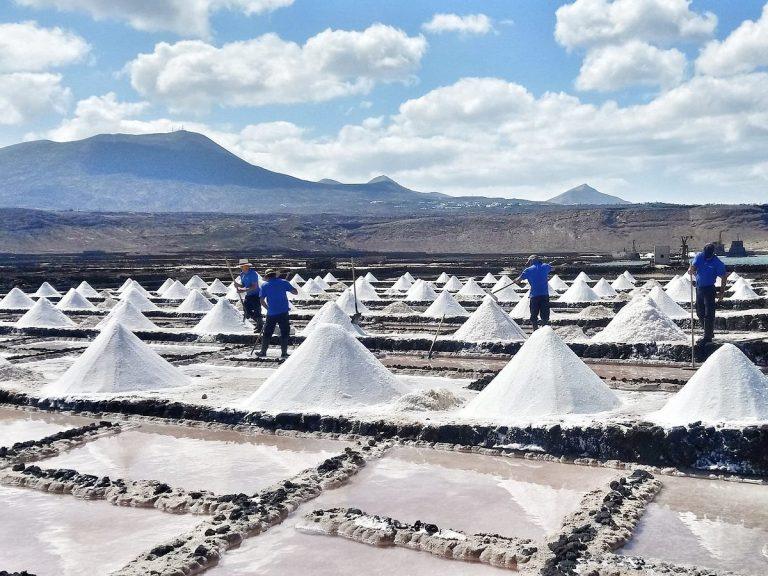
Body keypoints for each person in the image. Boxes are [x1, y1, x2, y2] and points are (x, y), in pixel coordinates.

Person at [688, 243, 727, 345]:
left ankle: (707, 337)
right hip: (699, 289)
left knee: (709, 314)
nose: (706, 257)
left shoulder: (717, 262)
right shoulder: (699, 256)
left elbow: (723, 277)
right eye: (705, 254)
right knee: (699, 312)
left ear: (712, 253)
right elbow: (694, 267)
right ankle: (709, 332)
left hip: (709, 289)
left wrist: (721, 292)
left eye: (708, 255)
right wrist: (691, 270)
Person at [257, 268, 298, 358]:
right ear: (275, 275)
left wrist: (268, 309)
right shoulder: (283, 282)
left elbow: (261, 301)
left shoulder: (265, 285)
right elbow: (295, 292)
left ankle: (263, 352)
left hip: (271, 313)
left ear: (267, 276)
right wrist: (289, 287)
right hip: (283, 312)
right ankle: (284, 353)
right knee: (284, 333)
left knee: (267, 333)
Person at [513, 255, 552, 330]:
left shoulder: (528, 270)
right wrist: (547, 266)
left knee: (534, 315)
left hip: (534, 295)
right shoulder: (545, 266)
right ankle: (544, 331)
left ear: (531, 261)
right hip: (544, 295)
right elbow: (552, 268)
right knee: (545, 315)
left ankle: (535, 331)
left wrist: (515, 281)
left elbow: (518, 280)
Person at [235, 258, 262, 331]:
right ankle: (259, 323)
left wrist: (243, 290)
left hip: (256, 295)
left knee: (257, 311)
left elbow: (254, 286)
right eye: (241, 266)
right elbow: (244, 285)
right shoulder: (242, 274)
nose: (242, 267)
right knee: (247, 311)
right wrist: (238, 285)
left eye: (244, 266)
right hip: (249, 295)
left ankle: (260, 326)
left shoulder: (253, 274)